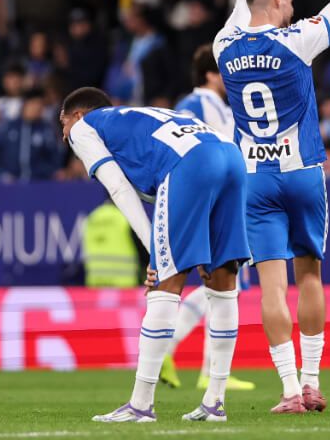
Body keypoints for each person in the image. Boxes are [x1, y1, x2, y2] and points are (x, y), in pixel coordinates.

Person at [213, 0, 330, 413]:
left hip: (254, 181)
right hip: (302, 173)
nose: (293, 8)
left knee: (271, 287)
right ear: (278, 2)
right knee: (311, 277)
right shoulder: (297, 39)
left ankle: (287, 391)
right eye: (289, 0)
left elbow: (244, 3)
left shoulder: (224, 47)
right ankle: (313, 380)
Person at [61, 87, 249, 423]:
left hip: (190, 163)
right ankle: (215, 402)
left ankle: (141, 405)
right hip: (230, 155)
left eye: (63, 127)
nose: (65, 139)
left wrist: (154, 249)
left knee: (165, 285)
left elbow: (117, 188)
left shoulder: (83, 128)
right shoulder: (134, 120)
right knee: (222, 283)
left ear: (77, 115)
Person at [163, 45, 255, 393]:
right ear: (210, 75)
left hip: (225, 197)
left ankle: (210, 370)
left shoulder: (218, 106)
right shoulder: (195, 104)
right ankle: (168, 349)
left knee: (223, 285)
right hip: (215, 201)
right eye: (223, 72)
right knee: (223, 282)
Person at [0, 89, 63, 183]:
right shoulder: (5, 128)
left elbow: (56, 159)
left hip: (39, 185)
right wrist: (2, 176)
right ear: (25, 104)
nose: (37, 108)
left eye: (40, 105)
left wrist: (47, 174)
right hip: (8, 187)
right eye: (34, 104)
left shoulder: (48, 130)